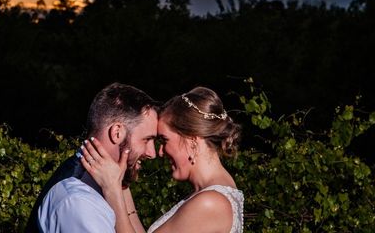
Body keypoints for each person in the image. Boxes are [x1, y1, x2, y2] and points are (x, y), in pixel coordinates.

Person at [81, 86, 243, 233]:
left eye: (164, 140)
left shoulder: (210, 203)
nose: (159, 152)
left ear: (192, 141)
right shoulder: (211, 194)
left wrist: (112, 191)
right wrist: (122, 184)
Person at [25, 83, 159, 233]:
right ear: (117, 133)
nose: (152, 153)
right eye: (146, 140)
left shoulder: (102, 182)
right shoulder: (79, 202)